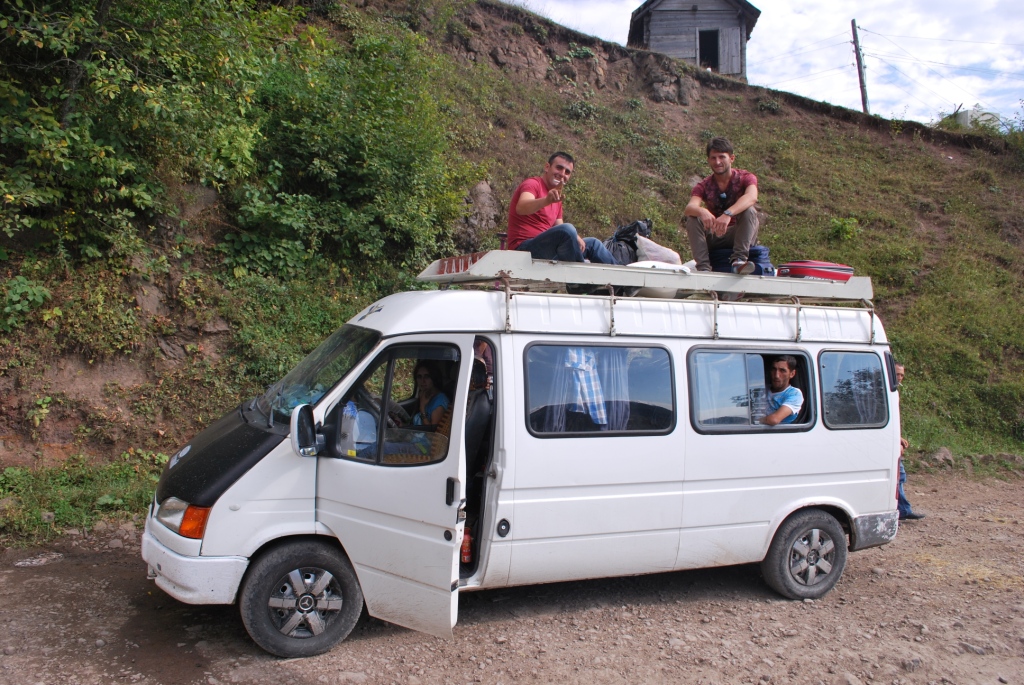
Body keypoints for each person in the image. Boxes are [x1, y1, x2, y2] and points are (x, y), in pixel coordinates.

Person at [507, 152, 619, 264]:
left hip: (549, 249)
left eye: (567, 172)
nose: (562, 174)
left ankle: (626, 277)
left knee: (593, 244)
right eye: (559, 168)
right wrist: (546, 201)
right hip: (524, 249)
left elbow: (559, 225)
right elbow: (521, 207)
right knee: (567, 230)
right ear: (547, 167)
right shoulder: (533, 184)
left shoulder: (556, 197)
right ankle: (578, 274)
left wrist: (575, 237)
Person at [683, 137, 760, 273]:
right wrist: (702, 211)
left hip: (739, 233)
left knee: (749, 210)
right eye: (713, 158)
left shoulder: (745, 178)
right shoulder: (704, 185)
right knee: (692, 218)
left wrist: (728, 214)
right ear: (708, 160)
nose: (717, 162)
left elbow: (751, 197)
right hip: (716, 234)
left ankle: (739, 261)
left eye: (721, 157)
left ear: (731, 158)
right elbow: (689, 208)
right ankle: (703, 268)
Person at [895, 362, 925, 520]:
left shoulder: (893, 391)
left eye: (902, 375)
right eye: (897, 374)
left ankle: (902, 509)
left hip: (891, 436)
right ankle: (901, 510)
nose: (900, 377)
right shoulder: (887, 391)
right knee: (898, 475)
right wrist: (895, 439)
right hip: (887, 438)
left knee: (899, 476)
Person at [760, 356, 803, 426]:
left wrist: (754, 421)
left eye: (782, 371)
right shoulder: (762, 390)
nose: (776, 375)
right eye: (774, 369)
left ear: (792, 374)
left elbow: (774, 419)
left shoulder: (794, 394)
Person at [411, 360, 450, 427]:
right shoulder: (423, 394)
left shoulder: (440, 402)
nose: (422, 381)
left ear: (434, 378)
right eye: (419, 377)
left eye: (427, 376)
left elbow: (431, 434)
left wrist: (422, 408)